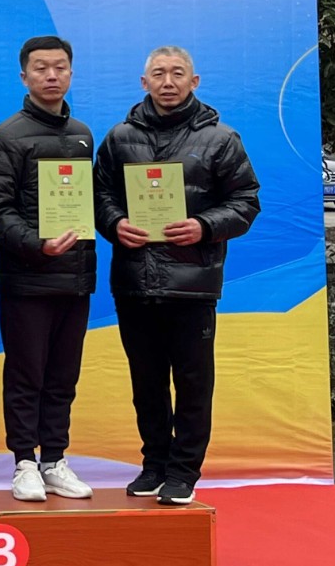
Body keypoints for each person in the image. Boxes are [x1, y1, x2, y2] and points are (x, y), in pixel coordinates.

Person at [93, 45, 260, 505]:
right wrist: (114, 223)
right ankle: (154, 464)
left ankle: (184, 472)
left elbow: (246, 202)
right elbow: (100, 194)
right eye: (159, 74)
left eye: (178, 73)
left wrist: (204, 226)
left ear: (194, 81)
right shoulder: (119, 137)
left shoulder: (221, 139)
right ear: (144, 82)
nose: (168, 82)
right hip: (134, 281)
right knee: (146, 382)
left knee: (192, 384)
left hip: (193, 283)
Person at [0, 36, 98, 503]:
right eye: (41, 68)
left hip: (76, 276)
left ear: (71, 72)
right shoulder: (5, 136)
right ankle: (24, 463)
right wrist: (37, 245)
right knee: (26, 374)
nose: (52, 75)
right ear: (24, 76)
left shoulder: (83, 134)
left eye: (60, 67)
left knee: (63, 377)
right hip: (27, 277)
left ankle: (54, 459)